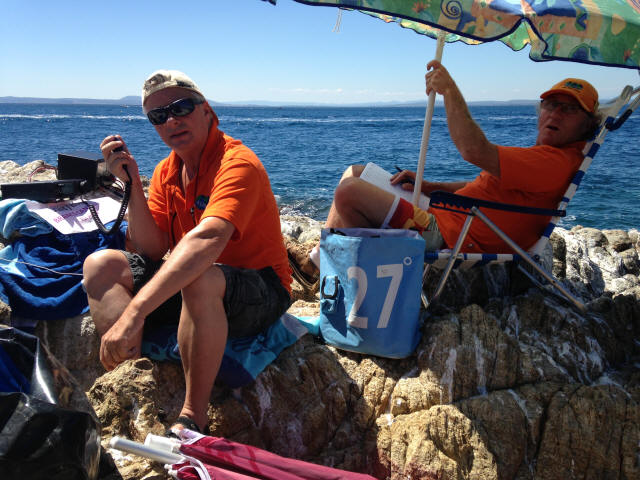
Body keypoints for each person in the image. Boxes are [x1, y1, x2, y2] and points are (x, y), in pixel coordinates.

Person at [82, 70, 292, 435]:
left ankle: (193, 418)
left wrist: (134, 312)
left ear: (207, 111)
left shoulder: (237, 163)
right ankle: (132, 381)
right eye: (158, 116)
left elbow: (207, 240)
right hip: (200, 287)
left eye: (181, 107)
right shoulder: (167, 170)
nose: (171, 121)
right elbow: (153, 248)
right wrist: (132, 185)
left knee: (199, 278)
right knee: (100, 265)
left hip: (262, 288)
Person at [293, 61, 601, 282]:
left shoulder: (552, 162)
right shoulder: (545, 159)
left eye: (570, 109)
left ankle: (352, 280)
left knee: (350, 193)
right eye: (550, 105)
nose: (555, 114)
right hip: (450, 217)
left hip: (450, 236)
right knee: (357, 172)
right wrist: (429, 186)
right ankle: (317, 263)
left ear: (588, 123)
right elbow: (485, 188)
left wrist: (449, 90)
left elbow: (473, 150)